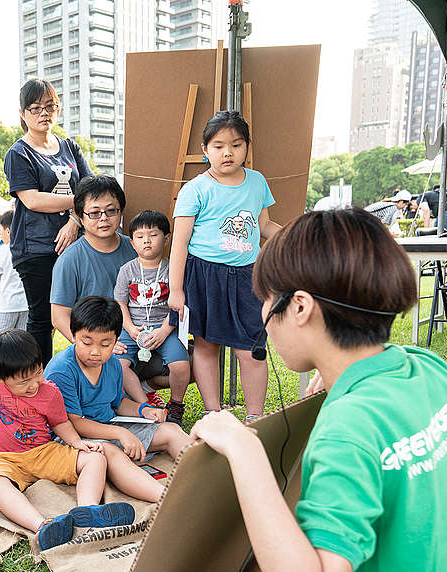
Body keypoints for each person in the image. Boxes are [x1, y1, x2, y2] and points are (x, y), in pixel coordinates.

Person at [150, 208, 447, 572]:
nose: (263, 317)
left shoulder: (347, 430)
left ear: (299, 307)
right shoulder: (429, 369)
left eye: (266, 300)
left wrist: (246, 450)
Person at [0, 328, 136, 551]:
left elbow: (60, 424)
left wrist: (77, 443)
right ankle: (42, 526)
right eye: (23, 382)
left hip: (42, 452)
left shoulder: (49, 392)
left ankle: (88, 509)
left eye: (38, 373)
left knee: (95, 458)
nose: (33, 385)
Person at [168, 110, 282, 421]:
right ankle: (215, 416)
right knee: (206, 347)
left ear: (247, 147)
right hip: (206, 276)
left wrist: (293, 236)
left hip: (248, 277)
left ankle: (255, 418)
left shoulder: (257, 182)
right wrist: (176, 290)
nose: (228, 152)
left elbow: (265, 225)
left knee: (252, 349)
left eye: (236, 144)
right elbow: (179, 244)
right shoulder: (195, 189)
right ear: (205, 150)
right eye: (218, 145)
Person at [50, 175, 170, 408]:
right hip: (104, 347)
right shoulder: (70, 260)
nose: (103, 218)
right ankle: (132, 398)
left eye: (111, 211)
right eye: (94, 213)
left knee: (191, 361)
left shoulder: (137, 247)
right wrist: (99, 345)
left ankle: (142, 388)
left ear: (121, 211)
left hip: (144, 336)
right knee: (111, 363)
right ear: (81, 217)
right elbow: (59, 316)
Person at [45, 297, 190, 482]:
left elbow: (118, 403)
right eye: (87, 343)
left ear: (116, 340)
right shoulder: (62, 370)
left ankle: (214, 479)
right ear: (73, 336)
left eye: (105, 344)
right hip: (72, 440)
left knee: (172, 431)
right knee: (112, 453)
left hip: (109, 427)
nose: (96, 351)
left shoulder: (112, 364)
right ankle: (160, 496)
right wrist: (121, 434)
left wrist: (144, 410)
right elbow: (74, 423)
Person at [4, 78, 93, 365]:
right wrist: (78, 203)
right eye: (35, 108)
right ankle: (39, 382)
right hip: (37, 249)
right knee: (43, 319)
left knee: (83, 312)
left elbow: (91, 189)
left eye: (50, 106)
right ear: (22, 114)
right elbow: (33, 200)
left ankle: (82, 376)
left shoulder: (70, 147)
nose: (44, 113)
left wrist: (75, 220)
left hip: (76, 244)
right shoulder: (18, 153)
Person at [114, 211, 191, 424]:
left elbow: (180, 302)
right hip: (134, 328)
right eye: (139, 236)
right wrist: (129, 327)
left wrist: (165, 330)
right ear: (132, 242)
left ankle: (175, 406)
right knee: (119, 365)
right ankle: (143, 405)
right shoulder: (126, 270)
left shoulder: (173, 270)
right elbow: (120, 302)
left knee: (181, 365)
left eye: (153, 235)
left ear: (166, 238)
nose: (146, 241)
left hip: (165, 326)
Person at [0, 210, 29, 333]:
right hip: (26, 303)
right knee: (22, 341)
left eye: (1, 231)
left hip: (7, 304)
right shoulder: (29, 249)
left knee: (1, 341)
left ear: (8, 230)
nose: (1, 236)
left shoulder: (3, 251)